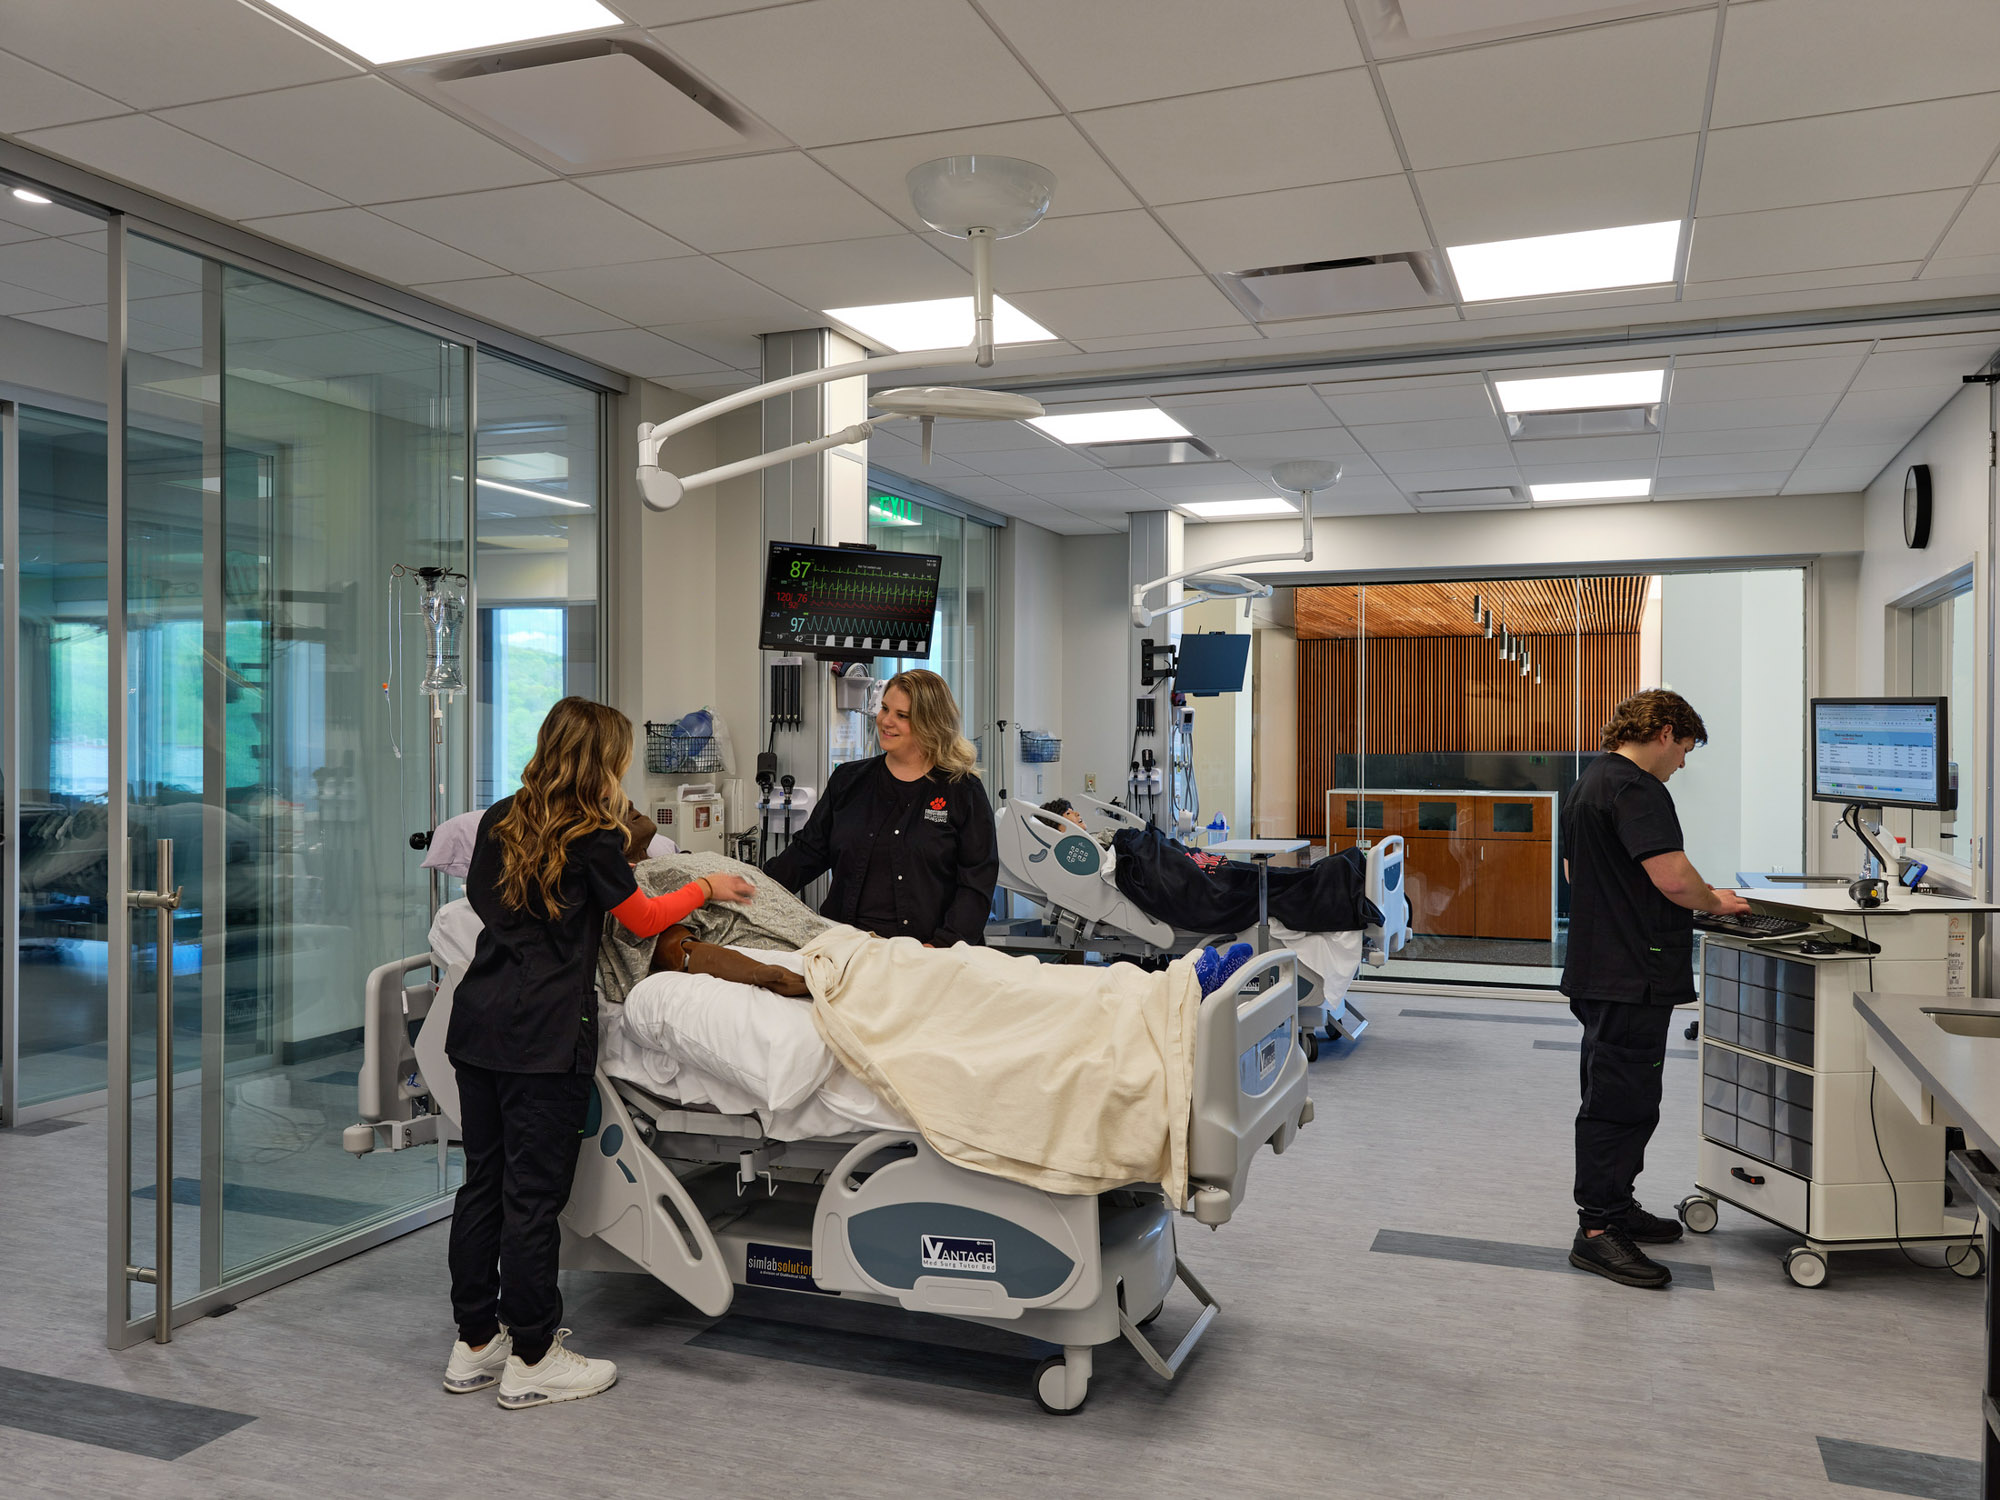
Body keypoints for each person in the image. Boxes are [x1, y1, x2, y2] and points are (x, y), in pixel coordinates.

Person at [441, 698, 754, 1408]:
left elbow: (485, 905)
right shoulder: (591, 835)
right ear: (601, 761)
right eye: (618, 759)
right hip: (543, 1035)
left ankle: (475, 1343)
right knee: (532, 1199)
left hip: (478, 1024)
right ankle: (532, 1356)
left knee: (482, 1186)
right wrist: (706, 885)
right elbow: (641, 920)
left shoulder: (500, 819)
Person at [1560, 689, 1751, 1290]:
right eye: (1686, 750)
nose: (1683, 764)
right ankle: (1597, 1233)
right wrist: (1714, 900)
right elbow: (1673, 878)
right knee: (1620, 1103)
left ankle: (1616, 1208)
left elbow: (1578, 871)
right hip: (1628, 972)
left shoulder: (1592, 780)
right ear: (1666, 732)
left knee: (1618, 1093)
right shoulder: (1639, 788)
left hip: (1601, 966)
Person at [765, 668, 997, 947]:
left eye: (902, 716)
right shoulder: (849, 781)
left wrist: (941, 946)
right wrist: (753, 887)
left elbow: (976, 884)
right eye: (884, 708)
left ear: (930, 723)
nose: (886, 721)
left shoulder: (962, 790)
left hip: (929, 955)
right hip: (849, 948)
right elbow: (807, 854)